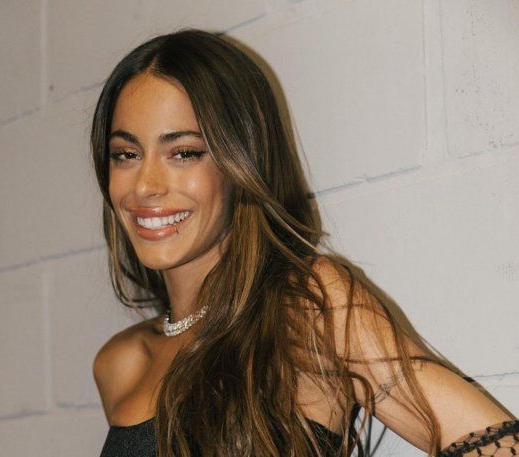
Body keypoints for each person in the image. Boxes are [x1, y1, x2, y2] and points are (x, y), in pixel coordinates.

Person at [90, 28, 518, 456]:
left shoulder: (308, 307)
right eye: (126, 155)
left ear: (242, 161)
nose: (145, 185)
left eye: (184, 153)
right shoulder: (120, 362)